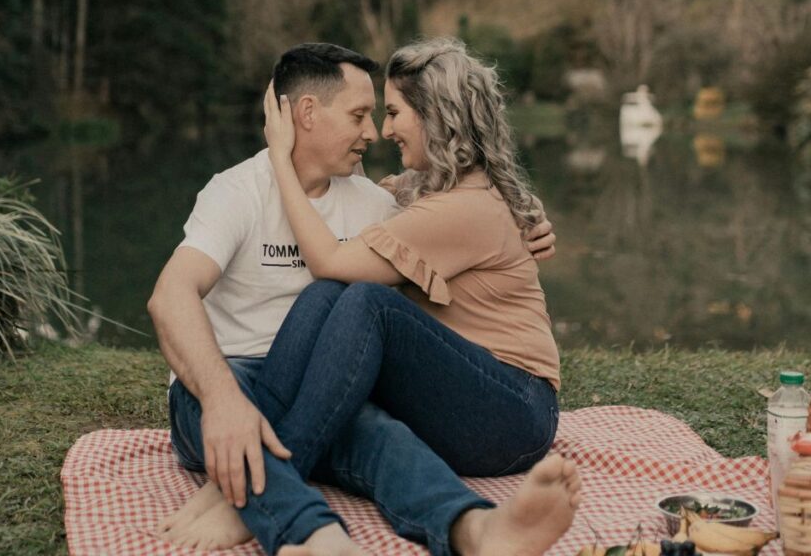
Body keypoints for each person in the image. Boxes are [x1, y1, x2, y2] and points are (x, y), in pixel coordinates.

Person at [148, 42, 579, 556]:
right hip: (230, 377)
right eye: (361, 114)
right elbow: (169, 295)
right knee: (331, 313)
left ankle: (473, 529)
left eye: (387, 113)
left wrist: (523, 222)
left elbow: (450, 217)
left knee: (376, 417)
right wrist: (221, 401)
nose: (376, 131)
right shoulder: (238, 191)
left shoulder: (376, 204)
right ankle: (311, 533)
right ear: (306, 113)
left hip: (338, 388)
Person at [256, 35, 565, 501]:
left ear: (435, 117)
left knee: (366, 301)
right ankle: (251, 440)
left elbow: (330, 261)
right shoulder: (438, 190)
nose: (384, 129)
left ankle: (271, 484)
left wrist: (280, 157)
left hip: (514, 414)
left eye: (395, 112)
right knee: (328, 296)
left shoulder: (465, 208)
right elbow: (387, 197)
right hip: (481, 396)